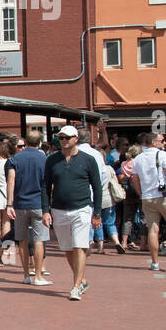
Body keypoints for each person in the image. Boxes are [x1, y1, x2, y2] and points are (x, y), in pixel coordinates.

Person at [42, 126, 103, 299]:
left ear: (76, 139)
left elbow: (97, 187)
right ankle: (81, 278)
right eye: (61, 138)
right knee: (67, 248)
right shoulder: (51, 160)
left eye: (67, 137)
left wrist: (97, 213)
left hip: (82, 208)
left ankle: (76, 286)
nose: (63, 140)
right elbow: (45, 186)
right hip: (59, 209)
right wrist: (45, 210)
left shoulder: (88, 160)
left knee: (79, 246)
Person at [132, 131, 166, 272]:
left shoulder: (138, 158)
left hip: (147, 197)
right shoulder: (162, 154)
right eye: (162, 141)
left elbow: (135, 179)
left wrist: (141, 193)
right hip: (164, 195)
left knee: (153, 229)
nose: (164, 143)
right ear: (154, 142)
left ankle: (155, 263)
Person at [6, 131, 51, 285]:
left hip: (19, 204)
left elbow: (11, 181)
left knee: (22, 240)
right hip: (38, 203)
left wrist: (9, 203)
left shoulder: (15, 159)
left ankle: (26, 274)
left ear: (25, 141)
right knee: (39, 240)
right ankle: (38, 275)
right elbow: (49, 182)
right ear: (39, 142)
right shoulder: (44, 159)